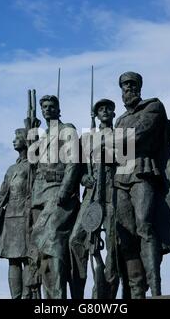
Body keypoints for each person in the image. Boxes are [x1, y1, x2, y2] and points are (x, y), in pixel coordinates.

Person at [113, 72, 170, 298]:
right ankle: (136, 293)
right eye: (124, 86)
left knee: (144, 227)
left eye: (132, 84)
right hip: (120, 178)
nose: (128, 89)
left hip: (143, 172)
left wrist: (104, 142)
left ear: (139, 87)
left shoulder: (153, 107)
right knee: (126, 237)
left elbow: (138, 135)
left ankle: (156, 291)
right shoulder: (120, 119)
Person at [30, 95, 81, 299]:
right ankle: (49, 297)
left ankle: (58, 297)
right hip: (40, 195)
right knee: (41, 248)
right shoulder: (42, 137)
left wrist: (66, 189)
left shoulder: (67, 129)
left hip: (59, 191)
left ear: (59, 109)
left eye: (52, 106)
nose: (48, 109)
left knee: (53, 242)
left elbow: (74, 162)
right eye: (45, 107)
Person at [69, 99, 120, 299]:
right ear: (96, 114)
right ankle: (77, 293)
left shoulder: (121, 134)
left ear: (114, 113)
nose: (105, 111)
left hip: (113, 195)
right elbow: (78, 171)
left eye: (108, 108)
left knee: (113, 246)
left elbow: (128, 165)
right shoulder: (86, 138)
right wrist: (85, 178)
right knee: (76, 240)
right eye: (100, 109)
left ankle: (105, 292)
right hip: (91, 197)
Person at [0, 128, 38, 299]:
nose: (14, 140)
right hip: (10, 218)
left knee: (27, 259)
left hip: (26, 216)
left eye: (18, 137)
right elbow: (3, 193)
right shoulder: (11, 169)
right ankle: (16, 297)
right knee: (13, 261)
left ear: (26, 141)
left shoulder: (33, 165)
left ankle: (27, 295)